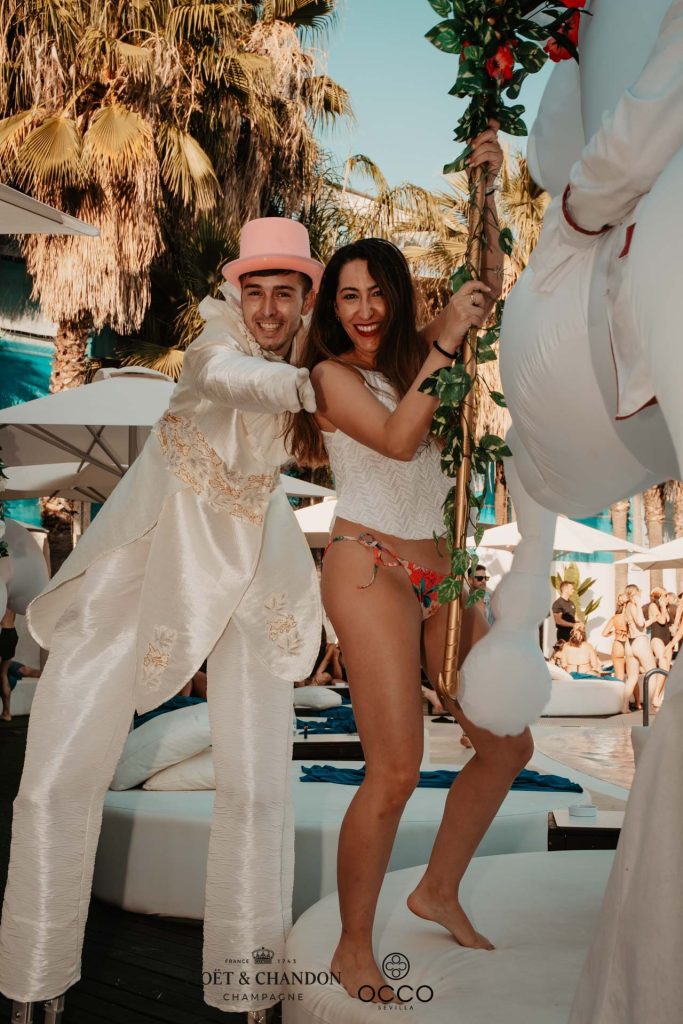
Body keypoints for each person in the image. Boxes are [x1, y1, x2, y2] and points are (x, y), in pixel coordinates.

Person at [0, 217, 325, 1015]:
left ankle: (249, 989)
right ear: (235, 293)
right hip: (140, 566)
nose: (269, 308)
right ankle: (33, 983)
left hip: (254, 569)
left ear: (305, 298)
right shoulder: (214, 349)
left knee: (260, 787)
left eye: (285, 292)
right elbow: (235, 381)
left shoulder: (310, 361)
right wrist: (324, 387)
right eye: (256, 290)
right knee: (55, 777)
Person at [287, 123, 533, 1005]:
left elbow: (480, 289)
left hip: (444, 575)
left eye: (375, 292)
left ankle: (436, 889)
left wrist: (489, 187)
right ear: (331, 307)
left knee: (506, 744)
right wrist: (445, 342)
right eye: (346, 295)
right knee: (393, 768)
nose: (362, 309)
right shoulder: (329, 377)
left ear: (395, 296)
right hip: (370, 567)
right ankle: (353, 948)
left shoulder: (414, 355)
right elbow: (396, 442)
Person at [623, 582, 657, 711]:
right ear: (635, 593)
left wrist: (652, 620)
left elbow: (639, 625)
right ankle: (650, 706)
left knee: (632, 677)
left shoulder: (626, 607)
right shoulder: (634, 605)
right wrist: (638, 604)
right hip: (640, 641)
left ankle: (624, 706)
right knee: (653, 673)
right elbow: (640, 623)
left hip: (630, 643)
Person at [645, 586, 672, 674]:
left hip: (667, 639)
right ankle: (657, 684)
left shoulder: (664, 607)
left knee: (667, 669)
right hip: (657, 638)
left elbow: (668, 621)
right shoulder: (653, 606)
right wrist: (663, 607)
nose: (667, 597)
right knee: (663, 665)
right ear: (659, 596)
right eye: (665, 595)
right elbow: (662, 621)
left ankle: (665, 684)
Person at [0, 607, 19, 721]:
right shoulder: (12, 600)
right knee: (3, 674)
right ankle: (7, 713)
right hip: (12, 632)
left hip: (2, 632)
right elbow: (14, 618)